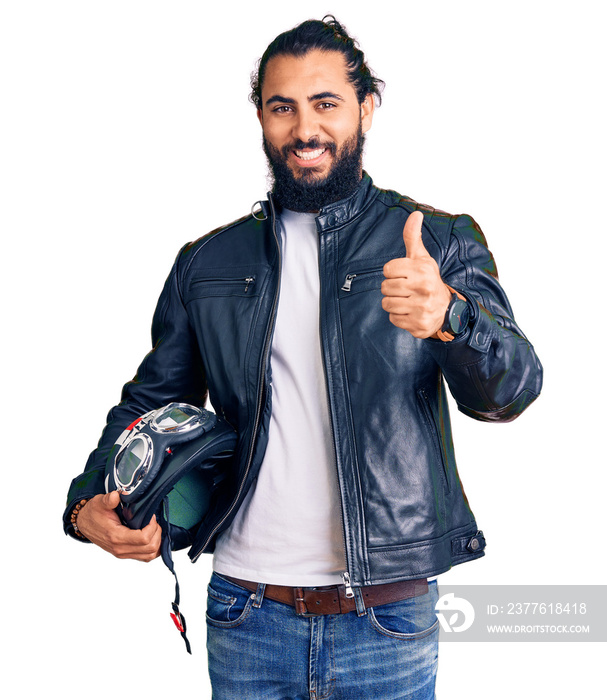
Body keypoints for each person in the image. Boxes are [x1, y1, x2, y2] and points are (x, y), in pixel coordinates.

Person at [63, 16, 542, 700]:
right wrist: (87, 502)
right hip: (244, 610)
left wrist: (450, 318)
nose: (304, 129)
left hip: (387, 615)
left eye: (325, 104)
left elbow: (511, 391)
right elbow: (152, 404)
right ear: (260, 115)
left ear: (364, 108)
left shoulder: (435, 241)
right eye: (281, 107)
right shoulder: (208, 263)